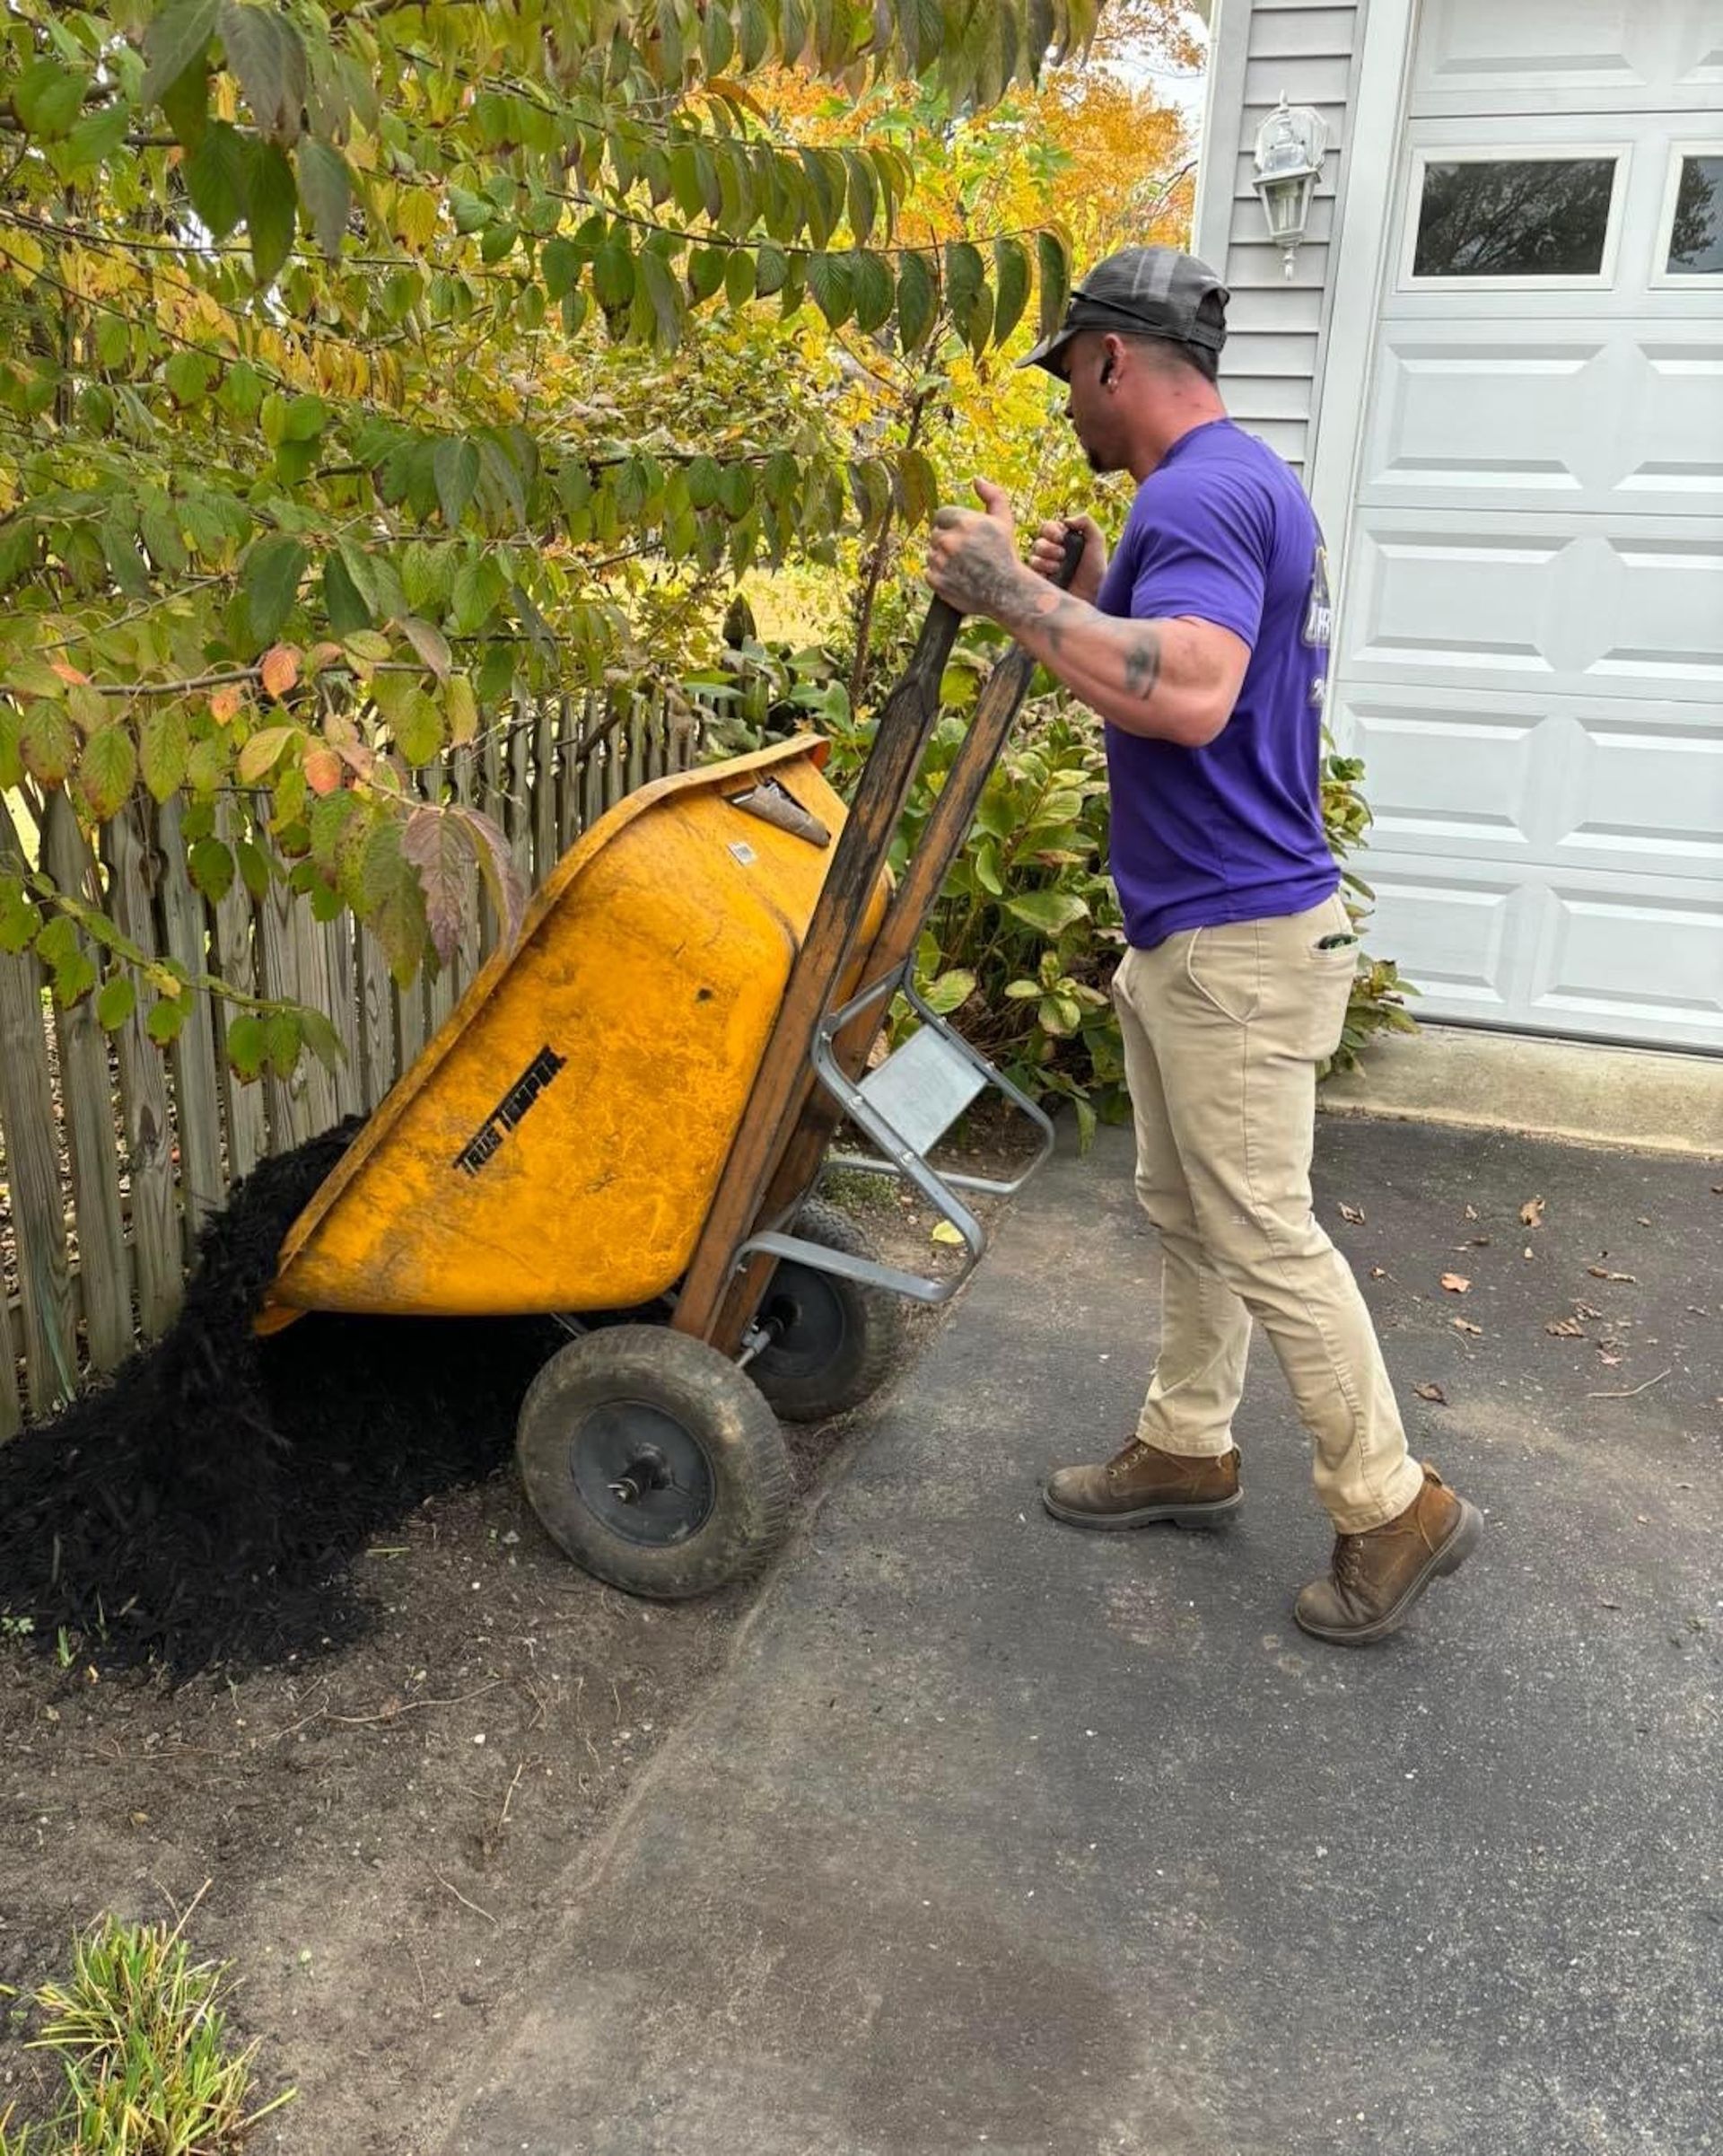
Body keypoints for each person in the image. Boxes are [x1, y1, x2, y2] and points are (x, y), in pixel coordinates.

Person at [922, 244, 1480, 1646]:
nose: (1066, 410)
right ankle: (1187, 1442)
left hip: (1236, 940)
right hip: (1210, 930)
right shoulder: (1234, 489)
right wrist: (1100, 590)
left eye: (1070, 378)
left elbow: (1197, 695)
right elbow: (1187, 650)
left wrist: (1015, 597)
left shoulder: (1203, 490)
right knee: (1195, 1212)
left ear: (1115, 359)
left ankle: (1391, 1499)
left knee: (1264, 1229)